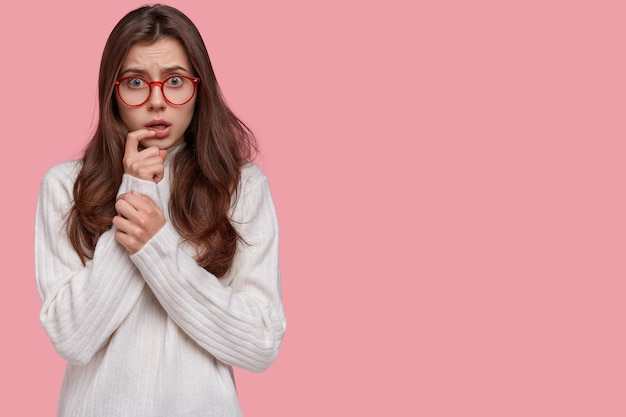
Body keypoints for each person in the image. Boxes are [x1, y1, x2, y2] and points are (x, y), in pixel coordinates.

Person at [34, 4, 286, 416]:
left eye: (174, 81)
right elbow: (73, 338)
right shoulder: (65, 186)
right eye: (135, 82)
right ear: (112, 92)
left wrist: (157, 247)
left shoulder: (241, 186)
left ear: (198, 88)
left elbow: (259, 343)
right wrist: (135, 192)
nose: (156, 102)